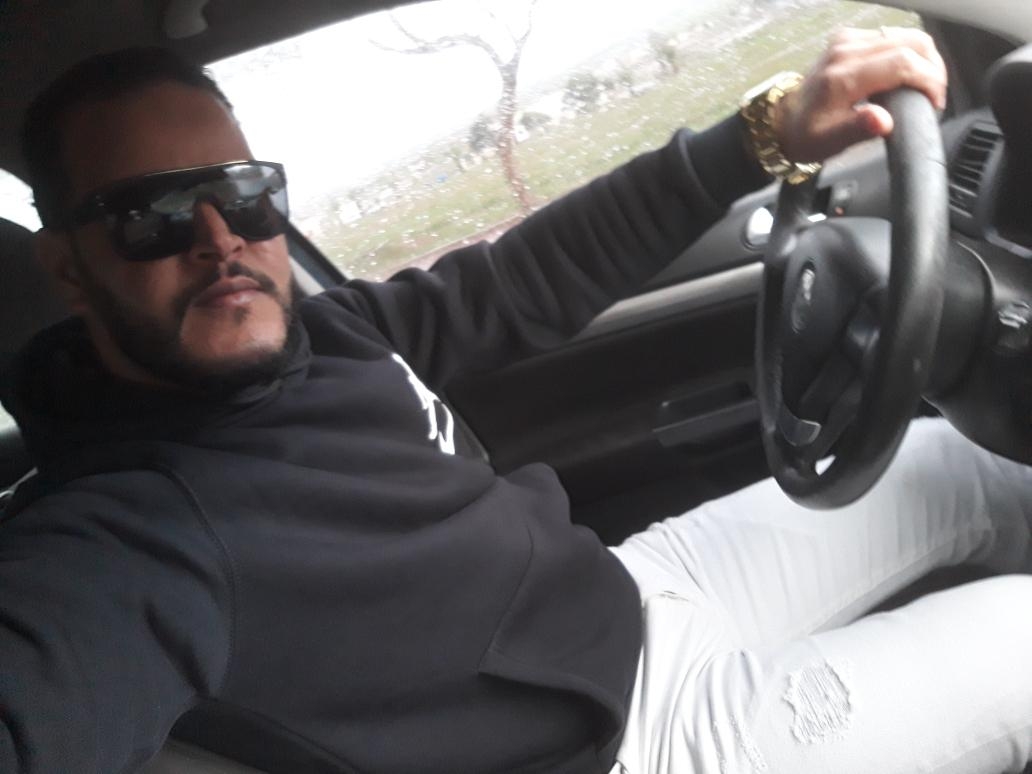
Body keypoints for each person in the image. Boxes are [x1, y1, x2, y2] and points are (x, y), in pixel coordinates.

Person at [1, 23, 1030, 774]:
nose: (218, 237)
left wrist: (764, 133)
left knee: (961, 459)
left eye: (243, 192)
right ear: (70, 268)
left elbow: (518, 282)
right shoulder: (126, 537)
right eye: (151, 214)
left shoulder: (323, 337)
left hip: (637, 594)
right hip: (641, 746)